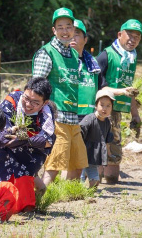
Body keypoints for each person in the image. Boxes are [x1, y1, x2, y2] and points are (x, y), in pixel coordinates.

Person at [32, 7, 88, 186]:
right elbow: (36, 87)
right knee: (54, 164)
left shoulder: (72, 53)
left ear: (74, 29)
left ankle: (65, 197)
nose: (65, 31)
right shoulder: (46, 53)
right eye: (61, 27)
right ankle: (40, 200)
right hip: (56, 116)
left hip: (73, 116)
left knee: (77, 163)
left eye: (69, 27)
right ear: (54, 30)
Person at [0, 77, 56, 212]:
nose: (28, 105)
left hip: (30, 152)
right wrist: (18, 137)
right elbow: (4, 131)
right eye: (26, 98)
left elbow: (48, 141)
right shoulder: (11, 101)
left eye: (35, 102)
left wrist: (25, 140)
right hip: (5, 145)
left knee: (23, 205)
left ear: (44, 103)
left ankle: (29, 200)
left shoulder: (47, 111)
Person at [97, 19, 142, 183]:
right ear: (119, 35)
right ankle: (94, 183)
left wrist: (135, 114)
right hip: (101, 110)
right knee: (99, 144)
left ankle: (110, 181)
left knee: (114, 145)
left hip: (117, 111)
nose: (133, 40)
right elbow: (95, 85)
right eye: (129, 35)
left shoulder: (131, 58)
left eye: (137, 37)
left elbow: (130, 90)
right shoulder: (106, 55)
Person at [62, 19, 101, 180]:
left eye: (77, 34)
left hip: (88, 115)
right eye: (70, 33)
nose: (72, 37)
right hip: (67, 114)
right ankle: (64, 187)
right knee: (66, 154)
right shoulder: (61, 60)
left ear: (85, 40)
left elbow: (100, 88)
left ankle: (77, 185)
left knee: (82, 155)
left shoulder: (93, 64)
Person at [79, 90, 114, 188]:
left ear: (112, 108)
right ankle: (78, 192)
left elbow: (107, 139)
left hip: (94, 157)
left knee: (95, 182)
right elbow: (79, 133)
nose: (104, 108)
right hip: (84, 153)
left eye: (108, 106)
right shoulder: (89, 119)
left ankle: (88, 192)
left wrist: (108, 153)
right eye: (102, 105)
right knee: (80, 176)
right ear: (96, 105)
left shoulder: (107, 122)